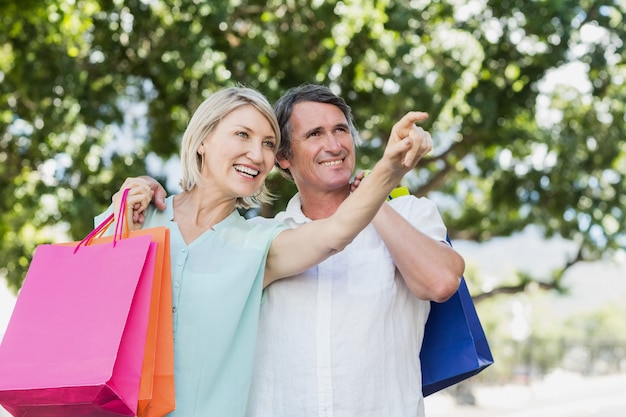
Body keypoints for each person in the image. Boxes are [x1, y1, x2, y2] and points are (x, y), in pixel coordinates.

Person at [102, 86, 433, 417]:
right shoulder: (136, 213)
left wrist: (389, 169)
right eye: (242, 135)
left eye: (268, 144)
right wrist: (135, 192)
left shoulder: (261, 242)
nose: (257, 155)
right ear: (202, 140)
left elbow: (336, 231)